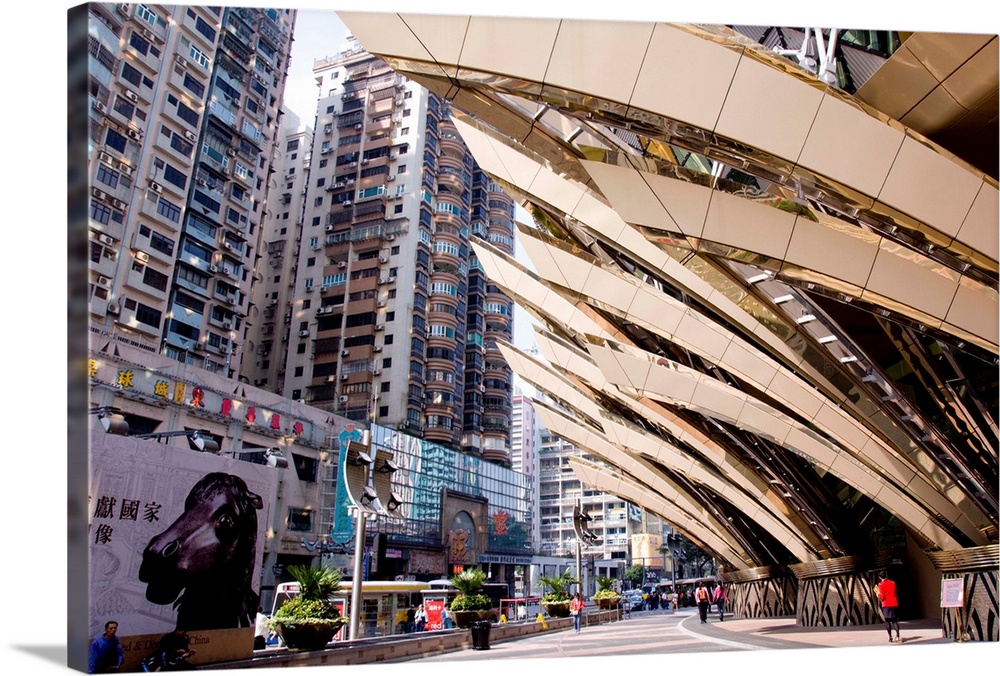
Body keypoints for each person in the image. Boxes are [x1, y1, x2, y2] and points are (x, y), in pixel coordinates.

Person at [875, 570, 901, 643]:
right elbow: (896, 593)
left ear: (879, 577)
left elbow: (882, 597)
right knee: (894, 621)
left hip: (886, 604)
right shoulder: (893, 583)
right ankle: (898, 635)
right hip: (894, 603)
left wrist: (877, 594)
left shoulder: (881, 585)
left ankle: (890, 636)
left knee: (887, 621)